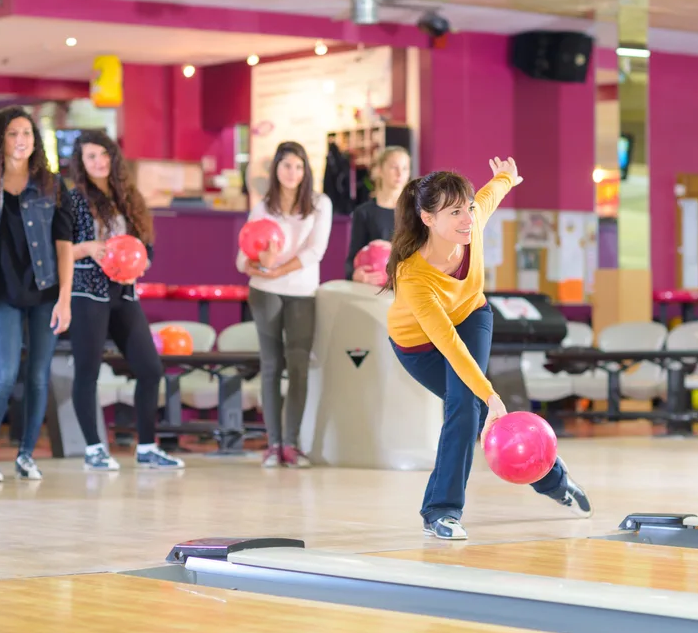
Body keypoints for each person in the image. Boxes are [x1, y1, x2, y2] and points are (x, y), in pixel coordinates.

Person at [384, 157, 592, 540]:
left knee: (466, 404)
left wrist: (505, 178)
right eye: (454, 212)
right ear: (428, 219)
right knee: (468, 407)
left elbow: (489, 195)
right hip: (418, 344)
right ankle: (446, 511)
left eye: (467, 208)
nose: (466, 218)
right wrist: (491, 396)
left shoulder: (472, 224)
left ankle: (444, 510)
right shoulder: (412, 275)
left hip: (473, 315)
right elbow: (447, 343)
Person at [67, 130, 182, 472]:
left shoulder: (128, 197)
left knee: (150, 368)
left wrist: (142, 261)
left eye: (104, 155)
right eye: (90, 157)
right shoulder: (73, 200)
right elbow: (58, 251)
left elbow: (145, 247)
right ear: (81, 163)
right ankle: (94, 449)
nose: (99, 162)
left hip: (124, 293)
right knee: (87, 373)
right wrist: (88, 248)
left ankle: (147, 447)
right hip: (87, 292)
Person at [0, 106, 74, 482]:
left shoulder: (53, 184)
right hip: (3, 292)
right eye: (13, 134)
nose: (20, 141)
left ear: (36, 139)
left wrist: (65, 298)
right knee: (4, 375)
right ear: (0, 139)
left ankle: (26, 455)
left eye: (26, 134)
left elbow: (64, 245)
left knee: (37, 376)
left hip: (46, 292)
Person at [236, 141, 333, 468]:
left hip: (302, 292)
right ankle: (273, 444)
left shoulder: (320, 204)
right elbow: (242, 257)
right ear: (276, 169)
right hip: (264, 291)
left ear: (306, 171)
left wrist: (279, 268)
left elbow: (315, 252)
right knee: (270, 367)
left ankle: (292, 444)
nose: (292, 172)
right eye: (286, 165)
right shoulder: (263, 207)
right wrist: (254, 264)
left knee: (298, 368)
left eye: (298, 166)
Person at [345, 146, 410, 286]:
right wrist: (356, 275)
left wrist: (391, 248)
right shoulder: (363, 212)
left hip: (408, 291)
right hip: (374, 292)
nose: (400, 173)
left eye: (405, 168)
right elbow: (352, 261)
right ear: (380, 170)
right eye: (394, 167)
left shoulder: (417, 211)